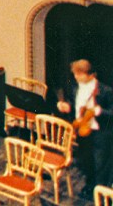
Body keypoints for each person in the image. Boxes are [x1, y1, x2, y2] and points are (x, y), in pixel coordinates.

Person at [57, 59, 113, 189]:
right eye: (75, 74)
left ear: (91, 74)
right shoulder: (76, 87)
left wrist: (100, 111)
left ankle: (100, 193)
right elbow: (73, 103)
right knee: (86, 161)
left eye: (79, 74)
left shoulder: (105, 90)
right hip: (83, 130)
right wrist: (67, 106)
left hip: (100, 132)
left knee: (100, 164)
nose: (76, 77)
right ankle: (89, 186)